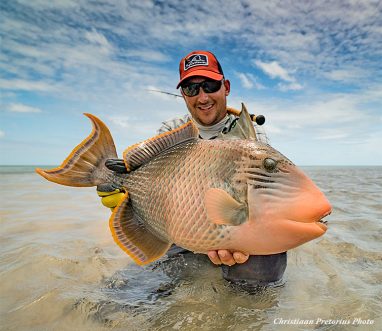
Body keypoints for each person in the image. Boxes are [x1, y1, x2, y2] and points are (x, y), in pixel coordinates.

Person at [98, 50, 287, 288]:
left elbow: (264, 198)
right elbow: (153, 184)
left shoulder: (252, 134)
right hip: (181, 225)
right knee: (147, 285)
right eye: (191, 89)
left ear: (225, 86)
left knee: (265, 270)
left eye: (209, 85)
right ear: (183, 95)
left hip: (232, 225)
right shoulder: (174, 130)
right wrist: (123, 193)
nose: (203, 96)